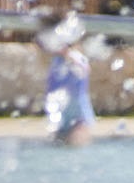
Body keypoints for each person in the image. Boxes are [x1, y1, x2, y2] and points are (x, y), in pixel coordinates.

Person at [33, 10, 96, 147]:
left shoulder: (74, 57)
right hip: (60, 113)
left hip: (78, 114)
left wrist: (69, 55)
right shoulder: (55, 61)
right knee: (58, 145)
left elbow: (85, 69)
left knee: (76, 145)